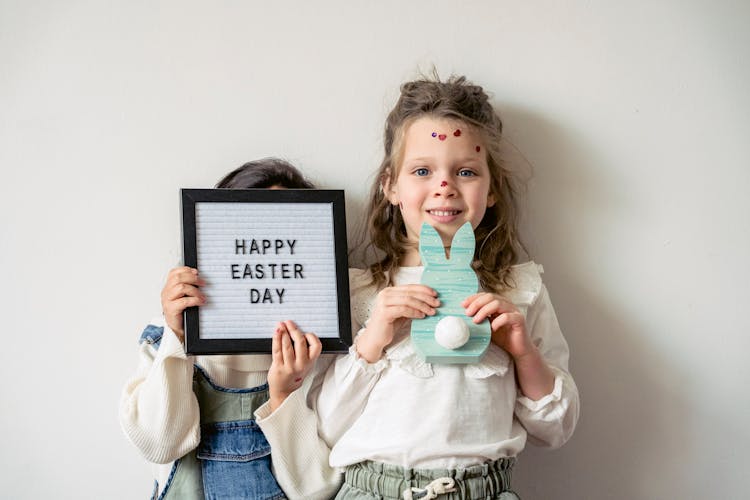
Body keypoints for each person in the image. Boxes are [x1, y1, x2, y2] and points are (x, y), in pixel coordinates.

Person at [308, 75, 581, 500]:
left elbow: (556, 430)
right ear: (390, 186)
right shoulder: (360, 293)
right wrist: (373, 339)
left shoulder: (520, 290)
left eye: (466, 171)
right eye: (422, 170)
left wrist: (523, 353)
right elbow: (324, 427)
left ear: (491, 190)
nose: (444, 186)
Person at [119, 158, 340, 500]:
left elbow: (318, 489)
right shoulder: (165, 335)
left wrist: (284, 395)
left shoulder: (320, 346)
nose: (266, 246)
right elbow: (160, 444)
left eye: (284, 233)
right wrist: (178, 340)